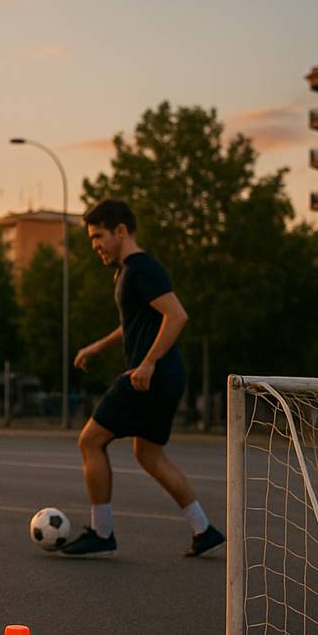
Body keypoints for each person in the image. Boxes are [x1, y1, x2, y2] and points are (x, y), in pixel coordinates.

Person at [66, 198, 224, 558]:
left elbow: (177, 316)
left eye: (99, 236)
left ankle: (101, 532)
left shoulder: (141, 268)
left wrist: (149, 362)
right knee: (149, 454)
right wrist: (98, 347)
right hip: (163, 375)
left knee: (90, 441)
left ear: (121, 231)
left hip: (150, 375)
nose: (96, 246)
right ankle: (204, 529)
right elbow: (134, 323)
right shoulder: (125, 272)